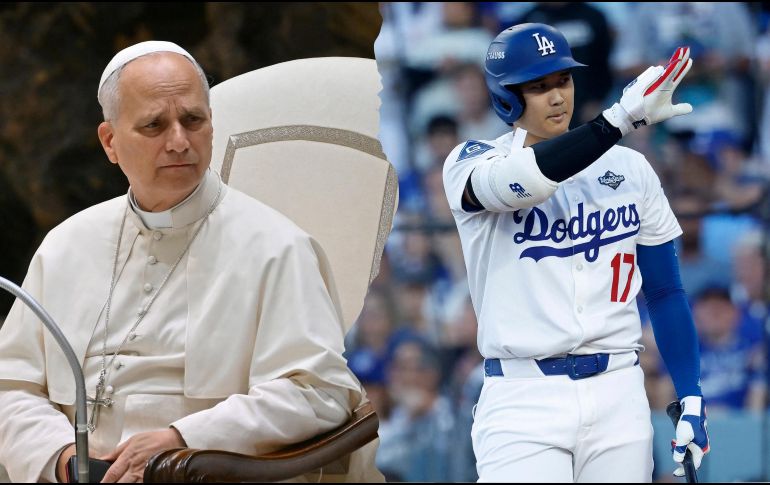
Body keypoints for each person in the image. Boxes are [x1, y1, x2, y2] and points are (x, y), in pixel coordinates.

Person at [0, 41, 381, 483]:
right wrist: (64, 459)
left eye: (193, 120)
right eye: (154, 125)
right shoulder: (66, 245)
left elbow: (319, 392)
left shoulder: (276, 246)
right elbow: (11, 386)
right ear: (110, 142)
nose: (179, 142)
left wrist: (183, 438)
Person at [442, 23, 709, 482]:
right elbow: (529, 179)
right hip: (523, 397)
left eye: (562, 80)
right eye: (538, 86)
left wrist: (691, 394)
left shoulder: (629, 167)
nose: (557, 97)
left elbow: (664, 290)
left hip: (618, 390)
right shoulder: (471, 160)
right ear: (507, 96)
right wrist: (619, 121)